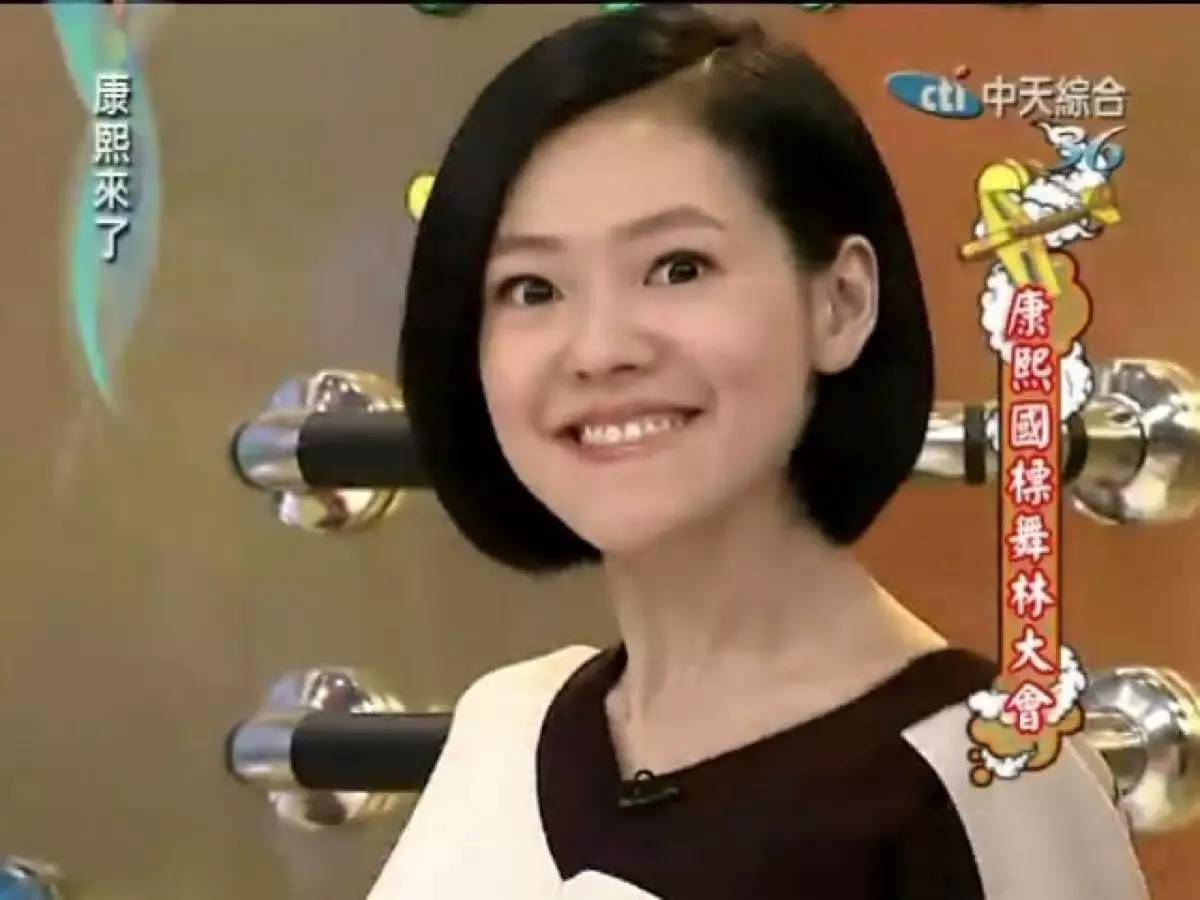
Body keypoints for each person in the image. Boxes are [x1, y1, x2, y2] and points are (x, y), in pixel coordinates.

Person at [369, 5, 1150, 898]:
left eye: (678, 268)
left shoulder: (989, 782)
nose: (599, 350)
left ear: (841, 302)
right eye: (532, 288)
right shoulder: (505, 729)